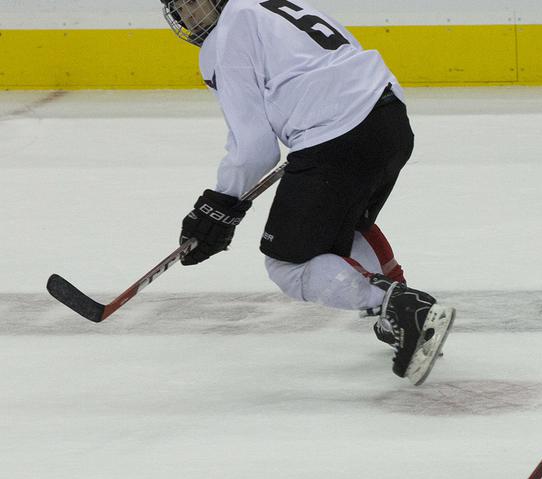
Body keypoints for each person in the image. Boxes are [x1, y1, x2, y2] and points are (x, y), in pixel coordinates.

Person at [159, 0, 455, 385]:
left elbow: (255, 148)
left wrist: (218, 206)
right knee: (341, 226)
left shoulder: (227, 35)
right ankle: (405, 311)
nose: (186, 15)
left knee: (289, 264)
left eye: (191, 2)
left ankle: (399, 307)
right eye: (178, 7)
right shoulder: (272, 5)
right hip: (389, 120)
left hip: (336, 137)